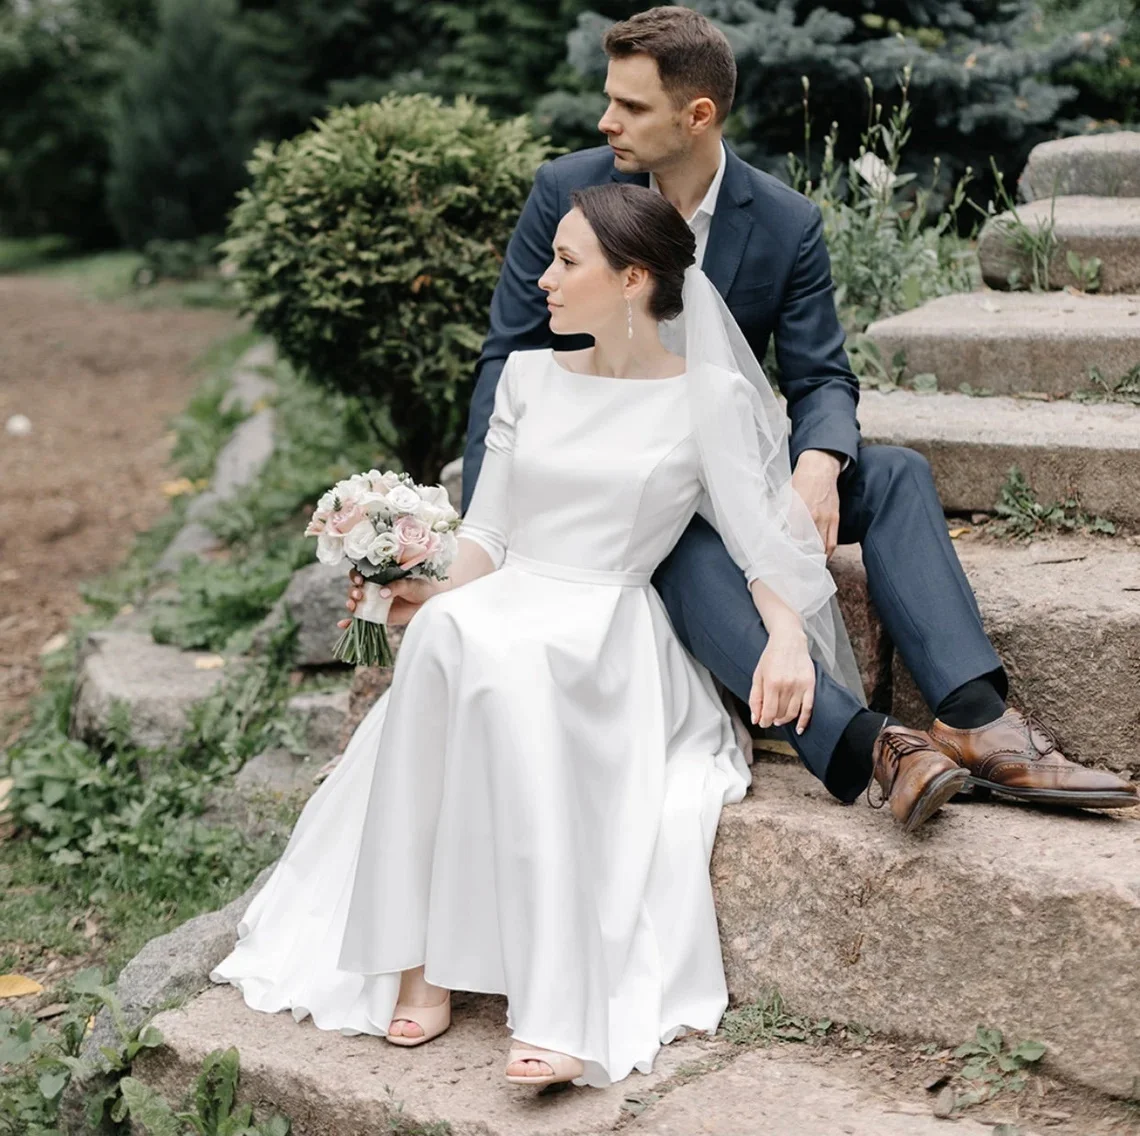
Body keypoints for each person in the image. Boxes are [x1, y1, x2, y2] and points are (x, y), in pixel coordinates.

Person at [350, 5, 1135, 825]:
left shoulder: (785, 222)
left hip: (725, 455)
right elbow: (506, 356)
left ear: (697, 116)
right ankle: (867, 745)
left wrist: (820, 460)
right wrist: (489, 525)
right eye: (608, 100)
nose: (604, 119)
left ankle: (974, 719)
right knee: (674, 538)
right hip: (624, 479)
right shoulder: (568, 192)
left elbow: (822, 374)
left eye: (631, 106)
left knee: (896, 472)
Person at [214, 183, 851, 1087]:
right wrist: (410, 586)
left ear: (632, 279)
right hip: (516, 594)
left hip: (609, 628)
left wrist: (786, 637)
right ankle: (417, 962)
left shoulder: (708, 396)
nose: (543, 279)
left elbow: (762, 542)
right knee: (449, 636)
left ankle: (558, 1002)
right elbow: (489, 535)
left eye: (566, 261)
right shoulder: (526, 376)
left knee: (513, 660)